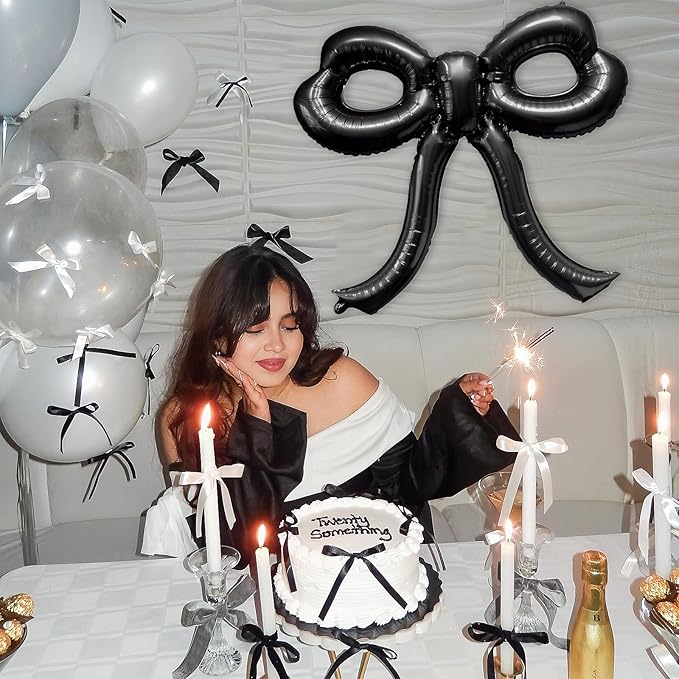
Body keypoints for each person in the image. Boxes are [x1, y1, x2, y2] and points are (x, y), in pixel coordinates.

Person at [152, 244, 518, 565]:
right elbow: (230, 549)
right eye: (256, 329)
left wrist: (457, 414)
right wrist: (257, 427)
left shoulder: (341, 381)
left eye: (289, 326)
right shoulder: (185, 419)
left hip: (375, 580)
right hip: (260, 599)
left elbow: (409, 487)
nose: (277, 345)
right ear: (217, 336)